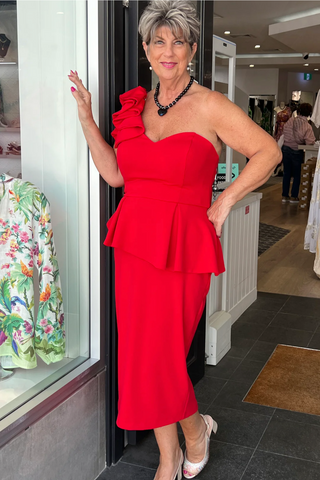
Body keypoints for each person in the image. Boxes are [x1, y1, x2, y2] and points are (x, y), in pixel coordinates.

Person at [68, 2, 281, 479]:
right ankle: (174, 452)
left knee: (162, 357)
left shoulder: (210, 105)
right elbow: (117, 175)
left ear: (191, 50)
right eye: (159, 41)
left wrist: (224, 202)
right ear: (146, 49)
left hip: (184, 245)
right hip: (133, 243)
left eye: (178, 42)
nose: (168, 51)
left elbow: (267, 152)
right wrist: (86, 116)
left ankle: (195, 433)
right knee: (144, 356)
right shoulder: (134, 107)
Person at [282, 103, 316, 204]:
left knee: (286, 173)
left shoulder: (290, 120)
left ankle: (284, 196)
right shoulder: (307, 126)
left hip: (285, 148)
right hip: (297, 151)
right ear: (309, 113)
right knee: (297, 175)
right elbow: (310, 142)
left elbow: (284, 132)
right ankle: (294, 196)